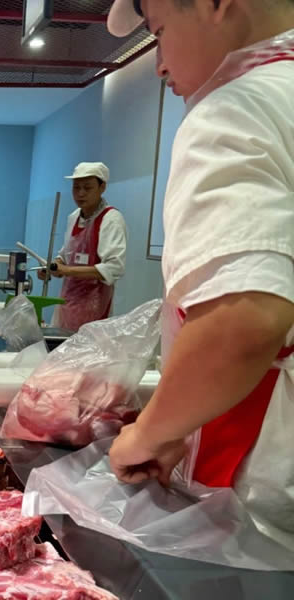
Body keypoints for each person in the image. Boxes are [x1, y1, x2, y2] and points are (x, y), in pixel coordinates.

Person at [106, 0, 294, 549]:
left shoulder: (235, 111)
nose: (159, 64)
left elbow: (242, 321)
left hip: (264, 500)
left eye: (159, 31)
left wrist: (149, 433)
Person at [40, 162, 127, 331]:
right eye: (76, 187)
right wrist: (52, 267)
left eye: (87, 188)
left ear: (102, 187)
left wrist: (67, 270)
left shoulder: (111, 219)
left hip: (95, 308)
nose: (80, 193)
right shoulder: (74, 217)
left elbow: (114, 268)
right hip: (67, 304)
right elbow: (65, 256)